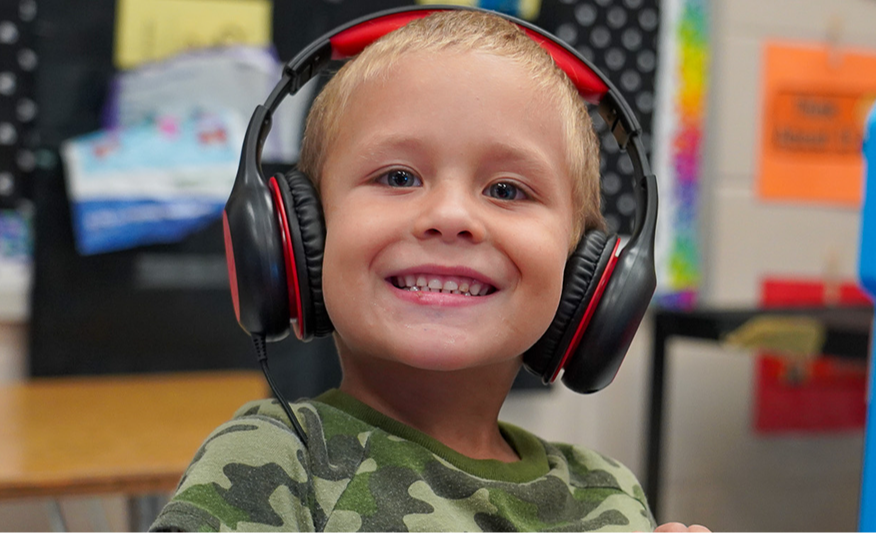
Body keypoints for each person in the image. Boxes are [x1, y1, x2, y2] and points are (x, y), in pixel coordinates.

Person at [148, 10, 709, 533]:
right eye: (397, 177)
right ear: (294, 236)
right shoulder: (274, 463)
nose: (449, 217)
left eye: (506, 190)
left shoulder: (606, 493)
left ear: (587, 274)